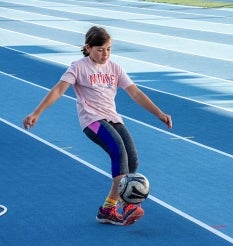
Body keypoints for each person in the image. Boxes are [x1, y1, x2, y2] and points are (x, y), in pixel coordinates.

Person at [23, 26, 172, 226]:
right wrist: (37, 112)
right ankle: (128, 204)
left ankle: (108, 210)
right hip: (92, 121)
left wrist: (159, 113)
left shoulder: (115, 68)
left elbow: (135, 93)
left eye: (109, 49)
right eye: (100, 49)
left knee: (132, 162)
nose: (105, 54)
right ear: (88, 47)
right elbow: (59, 90)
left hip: (113, 118)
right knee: (118, 152)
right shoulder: (78, 67)